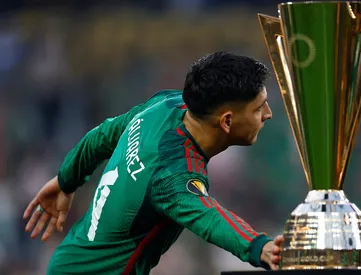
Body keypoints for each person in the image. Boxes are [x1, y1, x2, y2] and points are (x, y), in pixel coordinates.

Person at [23, 51, 284, 275]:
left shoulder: (164, 105)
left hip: (67, 261)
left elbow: (102, 135)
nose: (268, 114)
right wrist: (258, 247)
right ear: (226, 121)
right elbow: (210, 218)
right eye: (259, 108)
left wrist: (65, 181)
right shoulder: (172, 175)